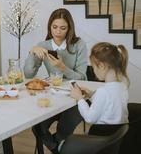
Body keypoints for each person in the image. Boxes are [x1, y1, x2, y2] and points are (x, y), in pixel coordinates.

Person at [24, 8, 88, 154]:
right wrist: (32, 51)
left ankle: (59, 143)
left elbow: (82, 77)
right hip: (54, 96)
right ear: (50, 27)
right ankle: (58, 149)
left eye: (63, 28)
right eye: (54, 27)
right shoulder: (44, 45)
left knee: (64, 129)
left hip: (76, 97)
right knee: (38, 127)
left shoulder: (79, 45)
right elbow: (28, 74)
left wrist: (63, 67)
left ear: (69, 28)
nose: (58, 31)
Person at [70, 42, 129, 124]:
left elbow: (89, 118)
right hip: (117, 133)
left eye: (93, 67)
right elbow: (108, 104)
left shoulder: (103, 91)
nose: (94, 71)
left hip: (102, 133)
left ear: (101, 66)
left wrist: (80, 98)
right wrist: (91, 95)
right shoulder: (122, 86)